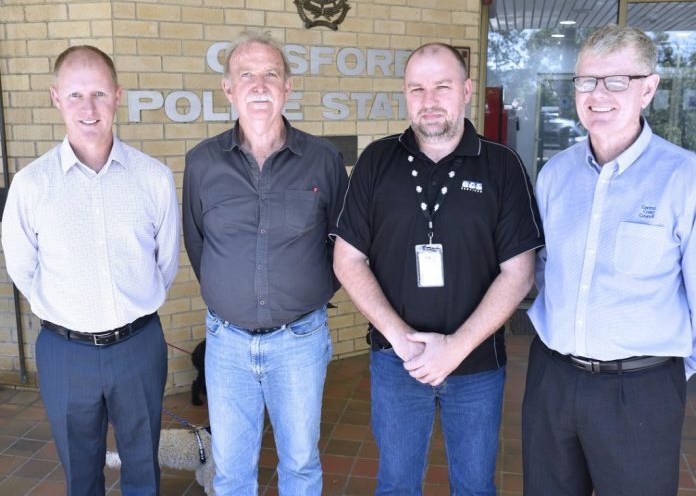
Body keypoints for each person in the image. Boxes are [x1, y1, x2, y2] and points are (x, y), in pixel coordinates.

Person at [332, 43, 543, 496]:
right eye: (417, 89)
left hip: (477, 364)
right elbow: (347, 259)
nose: (428, 100)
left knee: (474, 487)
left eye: (442, 87)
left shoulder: (502, 165)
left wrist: (454, 349)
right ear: (405, 94)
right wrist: (400, 338)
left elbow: (519, 272)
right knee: (396, 485)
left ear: (466, 90)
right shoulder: (376, 161)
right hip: (396, 361)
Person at [524, 25, 696, 496]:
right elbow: (544, 271)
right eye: (586, 80)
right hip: (553, 379)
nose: (598, 95)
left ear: (649, 89)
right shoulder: (554, 174)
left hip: (640, 390)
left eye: (617, 80)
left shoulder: (685, 178)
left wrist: (661, 377)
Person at [1, 45, 180, 496]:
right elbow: (21, 266)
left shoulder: (153, 178)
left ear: (117, 95)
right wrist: (66, 310)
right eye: (76, 94)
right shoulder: (31, 185)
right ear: (55, 97)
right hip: (65, 353)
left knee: (143, 468)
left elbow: (165, 263)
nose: (89, 107)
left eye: (99, 93)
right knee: (80, 475)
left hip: (138, 346)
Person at [182, 31, 348, 496]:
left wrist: (304, 292)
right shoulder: (201, 163)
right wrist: (229, 294)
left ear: (287, 87)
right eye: (246, 75)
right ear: (228, 89)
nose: (259, 85)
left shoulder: (323, 160)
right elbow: (198, 245)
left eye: (271, 74)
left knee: (300, 464)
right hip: (226, 344)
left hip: (300, 341)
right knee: (232, 472)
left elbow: (343, 246)